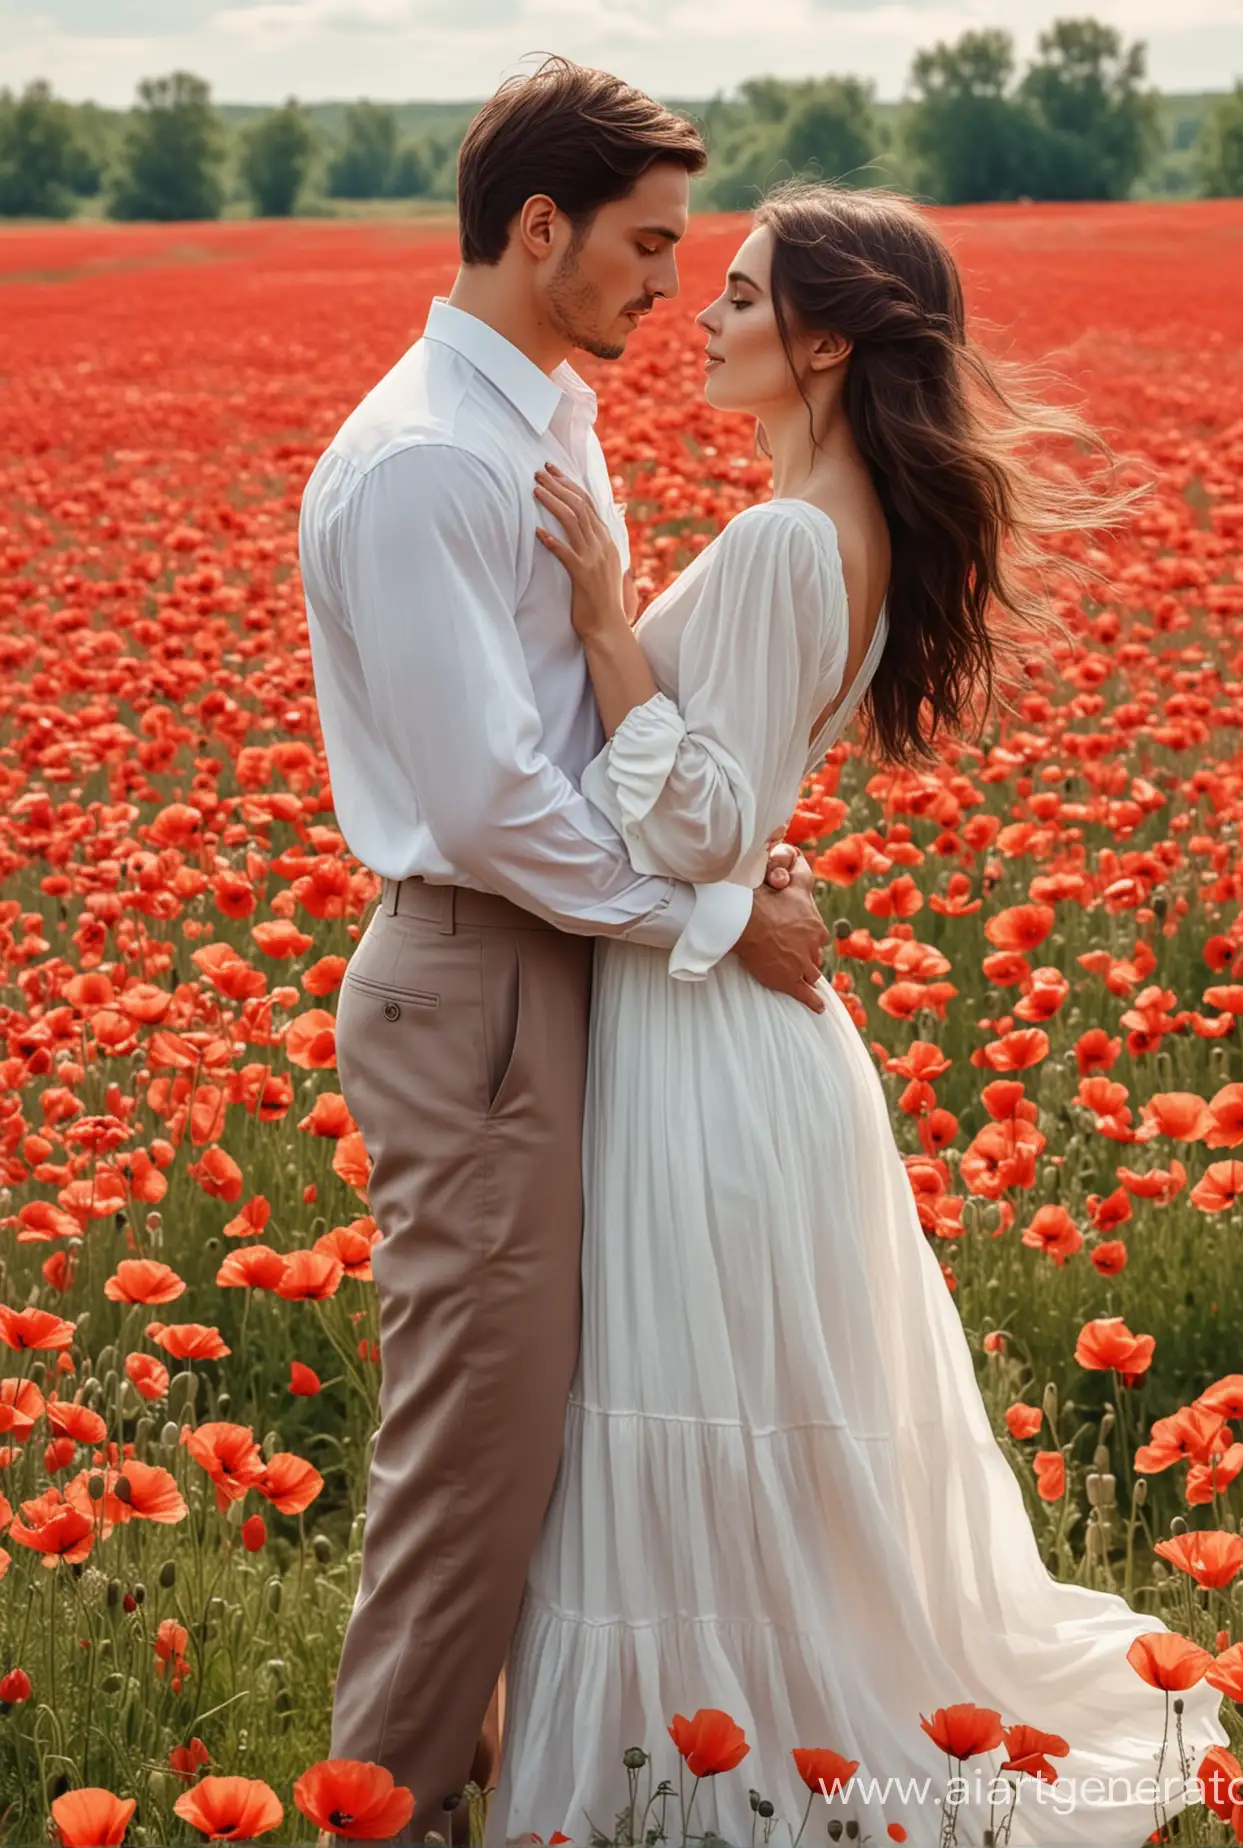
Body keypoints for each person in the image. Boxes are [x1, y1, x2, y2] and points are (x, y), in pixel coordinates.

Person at [482, 183, 1234, 1843]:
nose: (705, 313)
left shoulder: (780, 538)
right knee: (747, 1427)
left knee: (692, 1405)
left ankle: (712, 1785)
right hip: (739, 1028)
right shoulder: (849, 528)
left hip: (698, 1045)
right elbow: (739, 835)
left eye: (741, 296)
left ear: (824, 338)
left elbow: (698, 825)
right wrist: (746, 875)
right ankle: (748, 1761)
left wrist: (606, 624)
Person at [297, 57, 833, 1844]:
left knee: (555, 1446)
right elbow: (490, 804)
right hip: (479, 977)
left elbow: (576, 730)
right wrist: (711, 907)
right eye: (649, 246)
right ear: (540, 230)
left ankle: (505, 1792)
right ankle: (380, 1820)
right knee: (475, 1463)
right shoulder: (426, 465)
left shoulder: (538, 417)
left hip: (547, 971)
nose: (671, 288)